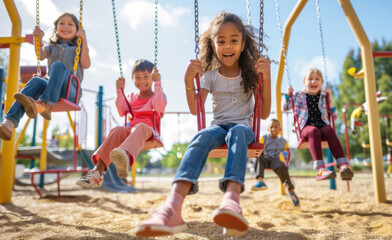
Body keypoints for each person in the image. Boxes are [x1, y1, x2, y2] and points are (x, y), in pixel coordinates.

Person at [134, 11, 271, 237]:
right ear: (213, 44)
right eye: (221, 41)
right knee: (200, 136)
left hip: (243, 129)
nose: (228, 46)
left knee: (237, 131)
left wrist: (267, 79)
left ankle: (231, 200)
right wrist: (188, 81)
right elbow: (195, 109)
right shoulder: (210, 75)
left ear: (243, 43)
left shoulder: (251, 74)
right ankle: (172, 207)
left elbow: (264, 113)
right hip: (218, 127)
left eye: (234, 41)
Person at [76, 59, 167, 188]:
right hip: (132, 133)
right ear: (132, 78)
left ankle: (124, 157)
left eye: (146, 77)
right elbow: (121, 111)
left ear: (152, 77)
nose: (141, 81)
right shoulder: (132, 97)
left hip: (149, 133)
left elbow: (159, 106)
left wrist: (158, 83)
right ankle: (96, 173)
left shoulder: (158, 95)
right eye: (137, 77)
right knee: (117, 129)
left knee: (139, 127)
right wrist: (119, 91)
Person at [0, 13, 90, 141]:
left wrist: (84, 40)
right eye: (62, 23)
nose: (66, 26)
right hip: (51, 88)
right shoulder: (51, 47)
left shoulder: (79, 48)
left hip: (70, 91)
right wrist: (38, 39)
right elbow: (40, 55)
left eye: (70, 24)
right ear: (56, 28)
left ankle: (46, 105)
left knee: (58, 66)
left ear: (77, 30)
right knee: (37, 80)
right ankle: (9, 124)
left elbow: (86, 64)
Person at [283, 68, 353, 181]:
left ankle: (343, 165)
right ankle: (320, 169)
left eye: (317, 79)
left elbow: (334, 115)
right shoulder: (297, 96)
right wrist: (288, 96)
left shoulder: (325, 97)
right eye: (310, 79)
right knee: (313, 131)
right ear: (304, 82)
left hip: (322, 125)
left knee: (329, 130)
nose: (313, 82)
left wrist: (330, 100)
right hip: (306, 128)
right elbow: (286, 108)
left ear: (322, 83)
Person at [251, 119, 300, 207]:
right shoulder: (264, 138)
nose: (273, 129)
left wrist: (286, 162)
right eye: (271, 127)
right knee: (258, 158)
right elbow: (259, 148)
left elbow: (287, 153)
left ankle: (290, 191)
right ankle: (260, 181)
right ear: (268, 129)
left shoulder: (284, 141)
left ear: (279, 129)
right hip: (265, 158)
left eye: (276, 127)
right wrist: (262, 153)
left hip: (276, 160)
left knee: (282, 168)